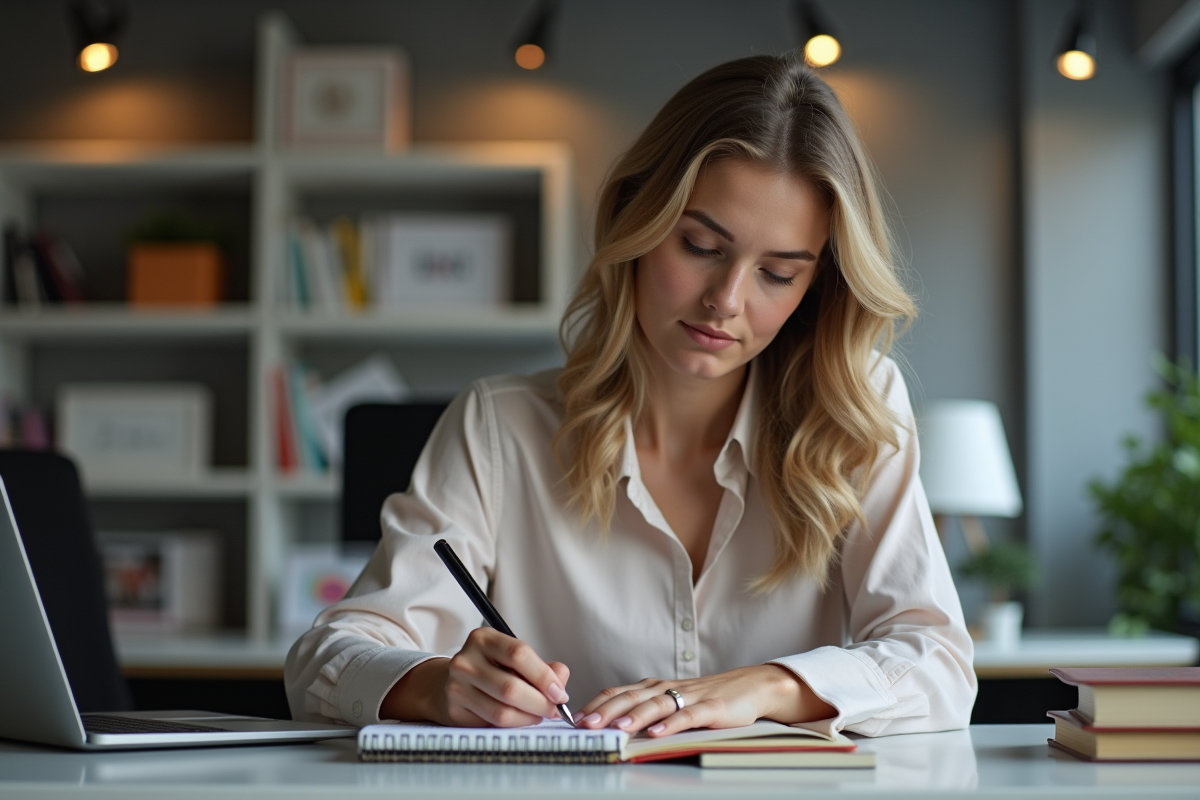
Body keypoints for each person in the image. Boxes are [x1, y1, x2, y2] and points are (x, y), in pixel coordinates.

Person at [285, 54, 976, 739]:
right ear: (635, 220)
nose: (726, 301)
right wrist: (434, 686)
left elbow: (940, 664)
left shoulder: (855, 413)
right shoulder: (498, 427)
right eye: (700, 245)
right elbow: (328, 657)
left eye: (776, 273)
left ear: (814, 288)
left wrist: (764, 687)